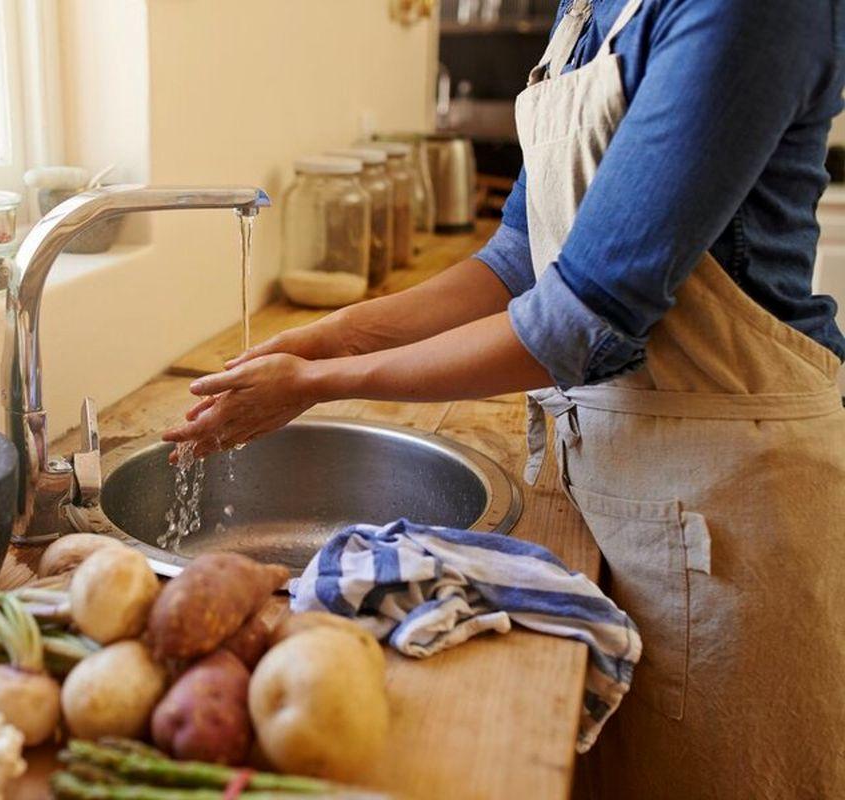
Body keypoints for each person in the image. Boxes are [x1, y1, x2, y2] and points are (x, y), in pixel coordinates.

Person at [163, 1, 845, 797]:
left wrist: (321, 383)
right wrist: (330, 338)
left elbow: (579, 320)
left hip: (731, 512)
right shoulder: (586, 10)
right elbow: (519, 257)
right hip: (614, 488)